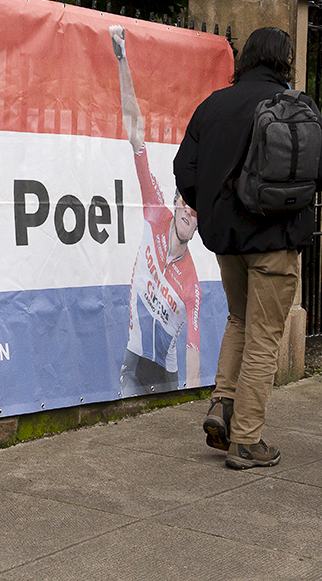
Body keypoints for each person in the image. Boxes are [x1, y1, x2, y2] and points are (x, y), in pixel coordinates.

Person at [173, 26, 322, 470]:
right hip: (276, 239)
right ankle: (247, 440)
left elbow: (183, 170)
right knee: (265, 336)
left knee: (239, 319)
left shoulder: (213, 104)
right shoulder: (297, 106)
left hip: (227, 239)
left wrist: (214, 204)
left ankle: (222, 407)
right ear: (285, 60)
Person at [111, 25, 202, 397]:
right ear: (177, 200)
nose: (188, 212)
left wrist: (196, 390)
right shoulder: (155, 212)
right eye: (185, 202)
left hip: (165, 376)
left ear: (198, 225)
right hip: (133, 365)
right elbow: (136, 131)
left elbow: (194, 346)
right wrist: (122, 60)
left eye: (197, 212)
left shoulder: (191, 283)